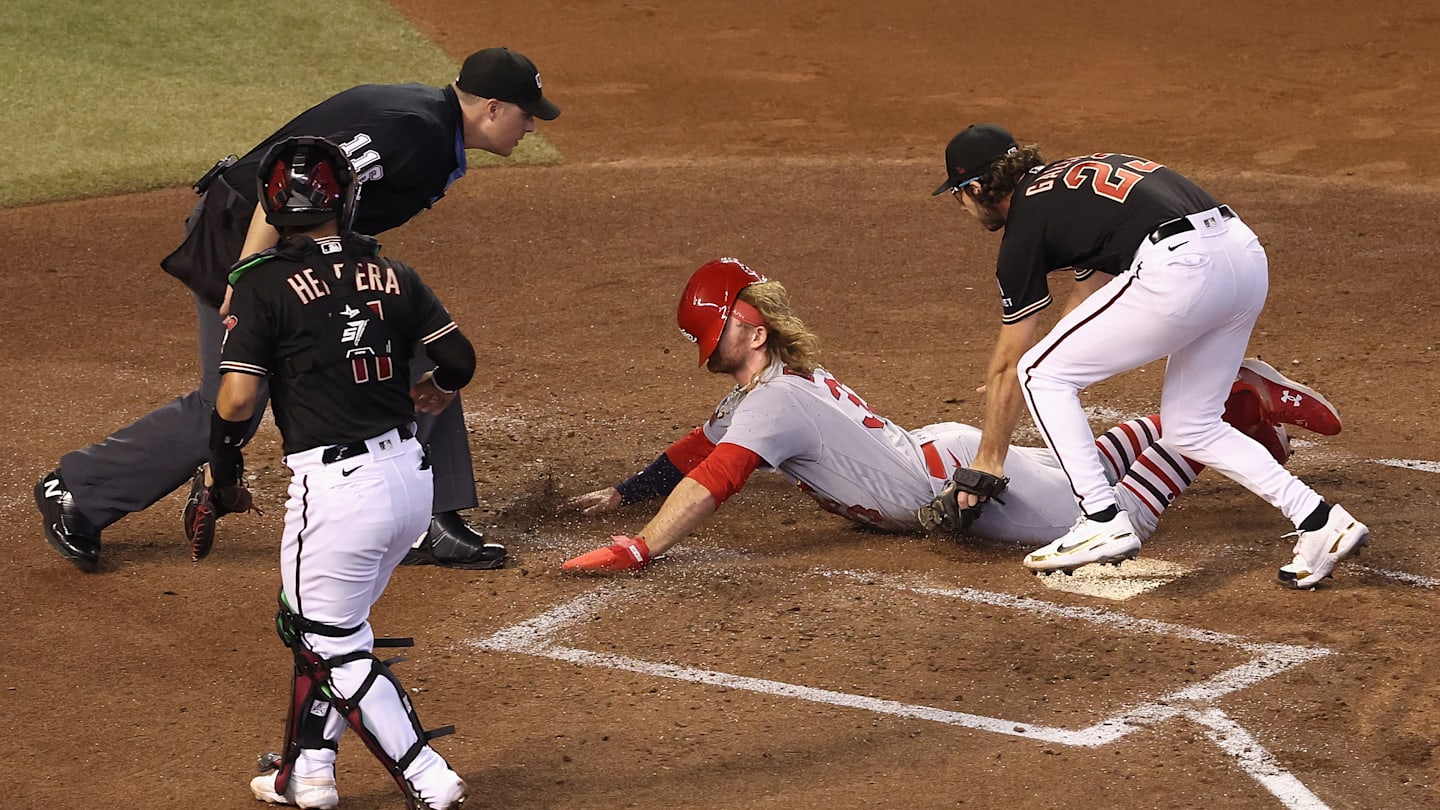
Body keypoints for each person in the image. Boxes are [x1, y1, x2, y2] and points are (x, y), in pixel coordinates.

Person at [34, 47, 560, 573]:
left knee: (412, 355)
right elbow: (294, 182)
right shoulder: (414, 130)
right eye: (526, 112)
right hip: (247, 237)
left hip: (299, 247)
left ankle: (427, 518)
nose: (532, 126)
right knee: (232, 398)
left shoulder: (431, 123)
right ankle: (76, 490)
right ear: (492, 107)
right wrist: (249, 274)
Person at [559, 258, 1334, 574]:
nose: (708, 343)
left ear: (750, 330)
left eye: (714, 327)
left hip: (961, 484)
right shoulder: (771, 388)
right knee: (1079, 465)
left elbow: (715, 478)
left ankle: (1233, 410)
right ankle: (1233, 416)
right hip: (941, 457)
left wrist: (640, 546)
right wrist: (626, 494)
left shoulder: (775, 401)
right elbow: (704, 442)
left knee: (1124, 517)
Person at [927, 123, 1367, 589]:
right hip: (1243, 256)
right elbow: (1089, 294)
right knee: (1191, 426)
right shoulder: (1071, 184)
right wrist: (1043, 357)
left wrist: (987, 463)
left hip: (1182, 267)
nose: (963, 206)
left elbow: (1011, 364)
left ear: (975, 187)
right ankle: (1320, 520)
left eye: (959, 194)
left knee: (1041, 375)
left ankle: (1101, 518)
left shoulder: (1024, 227)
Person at [212, 137, 468, 808]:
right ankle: (310, 773)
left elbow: (237, 400)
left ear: (272, 205)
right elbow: (460, 361)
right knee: (328, 626)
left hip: (339, 494)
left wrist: (222, 466)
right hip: (412, 484)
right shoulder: (395, 273)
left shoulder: (261, 283)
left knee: (321, 638)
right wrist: (437, 387)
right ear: (345, 200)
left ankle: (427, 775)